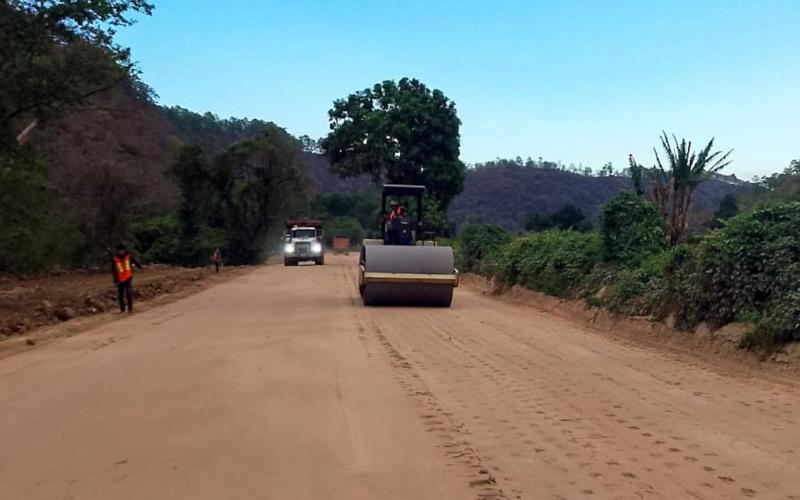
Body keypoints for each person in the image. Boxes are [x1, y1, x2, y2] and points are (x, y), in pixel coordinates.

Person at [110, 244, 142, 313]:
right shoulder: (115, 259)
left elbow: (135, 262)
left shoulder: (128, 256)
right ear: (117, 251)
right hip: (120, 279)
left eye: (122, 250)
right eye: (119, 251)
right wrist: (115, 280)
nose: (121, 252)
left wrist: (139, 266)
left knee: (128, 293)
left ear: (124, 250)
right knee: (120, 296)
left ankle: (130, 309)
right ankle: (122, 309)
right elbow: (114, 270)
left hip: (128, 277)